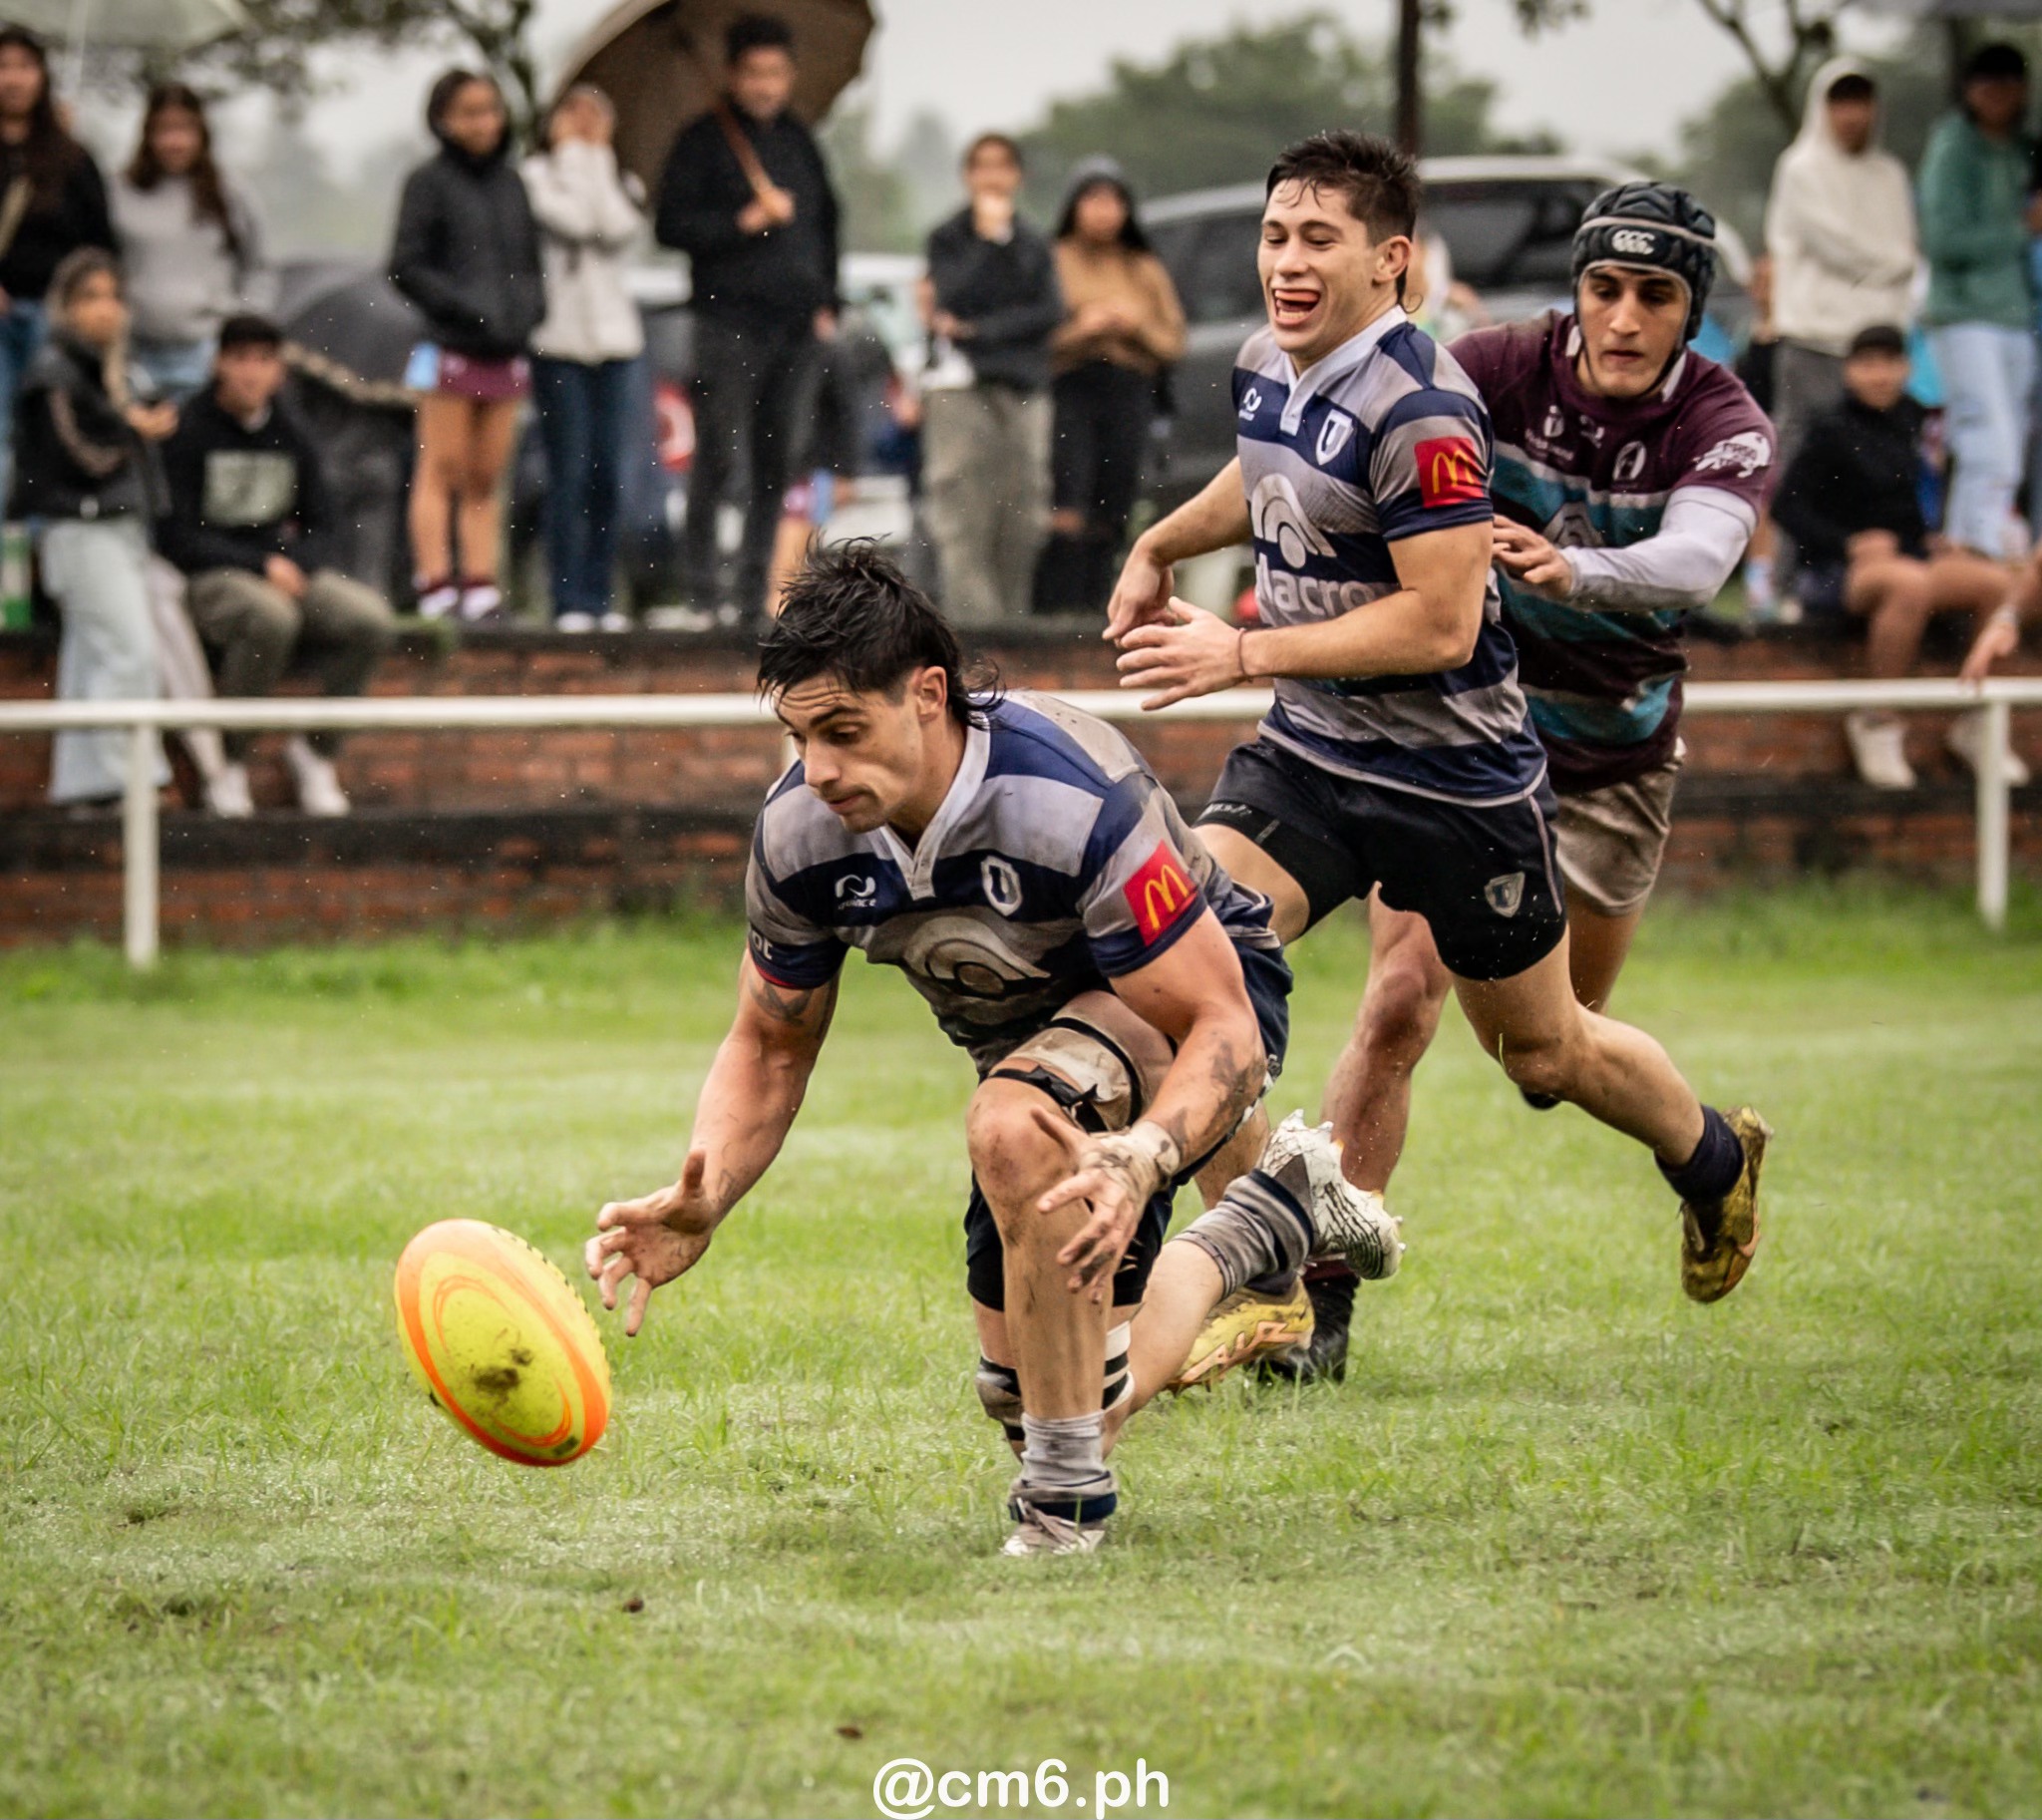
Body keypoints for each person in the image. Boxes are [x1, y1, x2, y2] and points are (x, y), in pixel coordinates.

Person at [1108, 136, 1772, 1382]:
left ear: (1390, 262)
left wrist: (1242, 653)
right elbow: (1268, 476)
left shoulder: (1423, 404)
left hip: (1457, 784)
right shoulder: (1266, 362)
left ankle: (1712, 1159)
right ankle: (1284, 1281)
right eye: (1274, 236)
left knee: (1542, 1050)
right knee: (1175, 958)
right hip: (1312, 754)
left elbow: (1442, 622)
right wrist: (1156, 540)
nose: (1287, 263)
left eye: (1318, 241)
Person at [583, 543, 1399, 1555]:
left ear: (927, 694)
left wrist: (1143, 1157)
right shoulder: (801, 834)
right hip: (1040, 1051)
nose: (820, 768)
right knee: (1046, 1390)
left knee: (1010, 1125)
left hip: (1204, 989)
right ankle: (1266, 1220)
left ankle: (1064, 1514)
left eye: (842, 729)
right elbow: (769, 1044)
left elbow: (1222, 1023)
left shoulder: (1068, 792)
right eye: (799, 737)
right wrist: (706, 1194)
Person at [1774, 323, 2036, 790]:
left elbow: (1923, 495)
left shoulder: (1918, 422)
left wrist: (1938, 537)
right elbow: (1785, 505)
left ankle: (1978, 722)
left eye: (1889, 363)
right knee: (1907, 586)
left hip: (1914, 556)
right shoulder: (1829, 428)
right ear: (1849, 370)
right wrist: (1847, 542)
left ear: (1906, 368)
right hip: (1842, 569)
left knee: (1996, 583)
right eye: (1867, 364)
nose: (1879, 375)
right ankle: (1879, 719)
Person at [159, 313, 397, 818]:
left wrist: (291, 562)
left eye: (264, 360)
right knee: (270, 618)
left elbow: (323, 524)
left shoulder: (292, 431)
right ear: (219, 364)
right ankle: (231, 762)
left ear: (280, 371)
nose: (251, 372)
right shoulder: (189, 430)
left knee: (370, 620)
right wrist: (259, 563)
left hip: (283, 570)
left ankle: (316, 751)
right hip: (212, 574)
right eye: (240, 358)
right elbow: (175, 536)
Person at [656, 13, 840, 624]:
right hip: (727, 322)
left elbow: (826, 225)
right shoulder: (701, 142)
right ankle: (702, 590)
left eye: (777, 74)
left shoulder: (800, 142)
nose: (766, 85)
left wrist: (826, 302)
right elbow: (671, 226)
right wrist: (740, 222)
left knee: (776, 462)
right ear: (733, 75)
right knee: (720, 456)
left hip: (795, 326)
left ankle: (752, 595)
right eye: (755, 73)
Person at [10, 248, 172, 809]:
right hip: (79, 531)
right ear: (65, 307)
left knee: (90, 661)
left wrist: (136, 421)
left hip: (120, 530)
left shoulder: (120, 369)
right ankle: (119, 785)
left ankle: (83, 786)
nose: (105, 311)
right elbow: (74, 454)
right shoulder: (53, 370)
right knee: (128, 654)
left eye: (113, 297)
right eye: (90, 298)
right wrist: (131, 430)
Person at [389, 67, 544, 624]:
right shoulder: (428, 183)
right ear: (444, 120)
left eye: (491, 110)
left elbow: (529, 263)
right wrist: (463, 308)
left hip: (506, 350)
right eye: (470, 112)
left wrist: (529, 311)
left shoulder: (512, 183)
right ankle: (434, 584)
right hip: (450, 344)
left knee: (486, 473)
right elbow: (405, 265)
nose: (484, 123)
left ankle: (480, 584)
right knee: (443, 469)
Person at [920, 134, 1062, 624]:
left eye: (1002, 167)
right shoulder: (949, 237)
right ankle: (974, 631)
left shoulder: (1032, 240)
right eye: (982, 167)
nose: (992, 178)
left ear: (1017, 176)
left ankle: (1014, 623)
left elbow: (1048, 310)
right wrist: (984, 240)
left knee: (1023, 509)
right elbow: (950, 296)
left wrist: (982, 329)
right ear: (968, 176)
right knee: (963, 512)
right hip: (960, 388)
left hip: (1022, 387)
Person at [1035, 159, 1184, 615]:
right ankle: (1055, 610)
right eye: (1093, 200)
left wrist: (1133, 327)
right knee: (1069, 497)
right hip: (1072, 388)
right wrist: (1085, 328)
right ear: (1074, 206)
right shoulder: (1053, 259)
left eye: (1113, 201)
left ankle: (1100, 604)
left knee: (1114, 499)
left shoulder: (1142, 266)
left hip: (1129, 390)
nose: (1104, 211)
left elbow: (1173, 340)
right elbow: (1034, 339)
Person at [522, 84, 643, 632]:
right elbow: (574, 221)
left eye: (597, 114)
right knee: (567, 471)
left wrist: (599, 159)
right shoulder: (537, 176)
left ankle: (600, 596)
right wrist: (575, 155)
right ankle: (567, 597)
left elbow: (616, 226)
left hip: (616, 342)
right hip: (560, 342)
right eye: (575, 113)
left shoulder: (623, 179)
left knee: (608, 474)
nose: (587, 123)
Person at [1764, 61, 1917, 484]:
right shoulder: (1800, 168)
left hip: (1873, 346)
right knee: (1803, 466)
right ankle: (1791, 554)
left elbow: (1906, 242)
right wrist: (1895, 265)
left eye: (1861, 102)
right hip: (1814, 339)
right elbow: (1835, 245)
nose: (1852, 115)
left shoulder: (1890, 173)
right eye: (1841, 103)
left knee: (1876, 464)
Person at [1917, 41, 2039, 561]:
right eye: (1988, 85)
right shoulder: (1952, 146)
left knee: (1995, 436)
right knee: (1994, 438)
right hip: (1965, 313)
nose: (1999, 96)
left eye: (2009, 85)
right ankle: (1985, 549)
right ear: (1970, 90)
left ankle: (1967, 549)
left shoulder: (2024, 146)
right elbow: (1942, 241)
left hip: (2016, 313)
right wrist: (2019, 230)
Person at [0, 25, 114, 512]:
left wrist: (82, 304)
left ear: (42, 77)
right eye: (3, 66)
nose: (13, 79)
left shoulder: (70, 157)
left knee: (52, 431)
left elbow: (99, 244)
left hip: (55, 321)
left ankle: (46, 549)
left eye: (25, 66)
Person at [112, 82, 272, 405]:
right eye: (164, 130)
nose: (174, 142)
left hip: (206, 349)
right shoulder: (120, 191)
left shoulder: (229, 194)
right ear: (147, 135)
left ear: (202, 134)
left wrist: (243, 328)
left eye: (184, 130)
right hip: (134, 349)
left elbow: (258, 267)